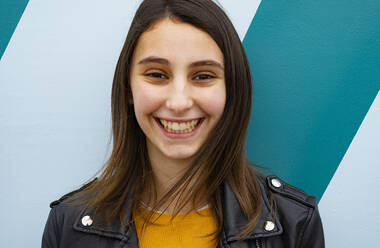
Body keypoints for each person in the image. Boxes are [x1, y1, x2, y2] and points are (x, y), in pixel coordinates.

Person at [42, 0, 325, 247]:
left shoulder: (293, 224)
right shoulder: (68, 225)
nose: (178, 103)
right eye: (157, 74)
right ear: (128, 89)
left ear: (232, 90)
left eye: (203, 76)